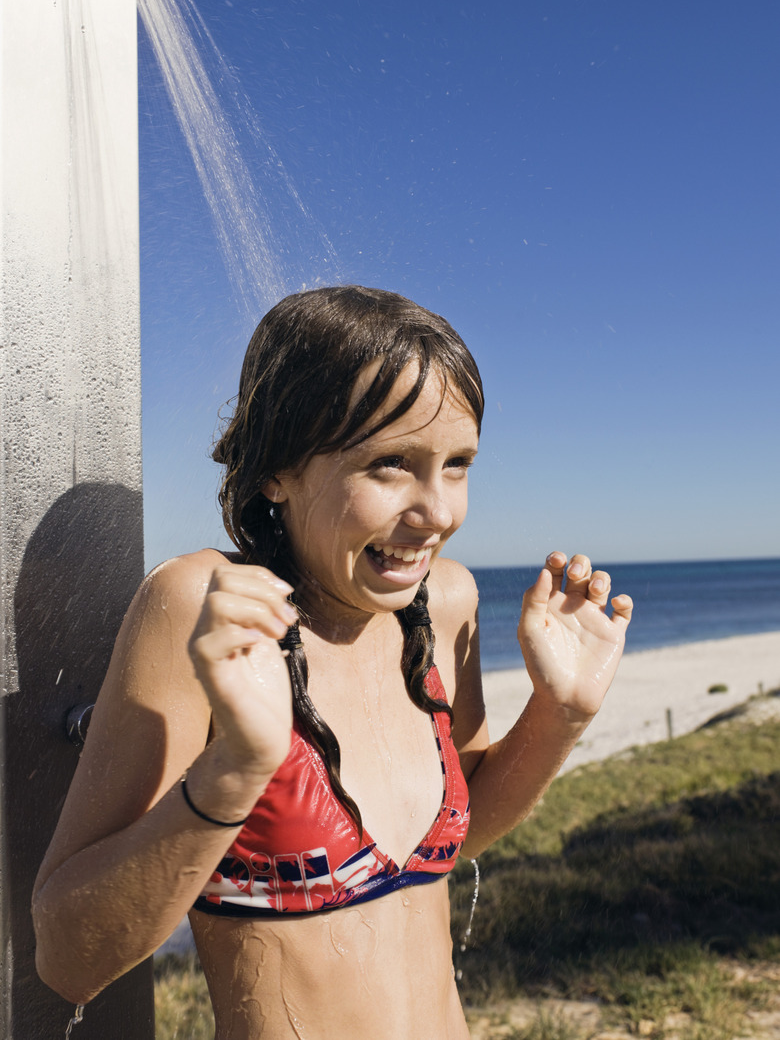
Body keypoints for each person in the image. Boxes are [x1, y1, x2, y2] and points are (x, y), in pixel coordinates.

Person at [32, 285, 632, 1039]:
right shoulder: (204, 611)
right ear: (276, 469)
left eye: (456, 464)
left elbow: (455, 839)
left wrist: (561, 714)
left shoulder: (442, 603)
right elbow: (67, 958)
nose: (438, 511)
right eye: (390, 465)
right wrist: (234, 772)